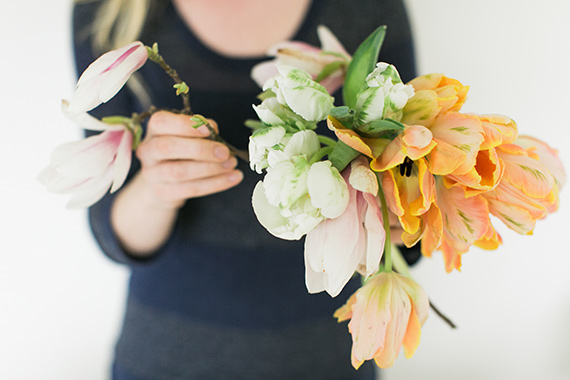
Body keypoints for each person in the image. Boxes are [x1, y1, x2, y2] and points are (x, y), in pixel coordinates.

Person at [73, 0, 419, 378]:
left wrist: (403, 216)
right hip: (168, 358)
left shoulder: (367, 8)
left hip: (326, 357)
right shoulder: (109, 14)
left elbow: (410, 165)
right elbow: (111, 233)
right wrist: (157, 188)